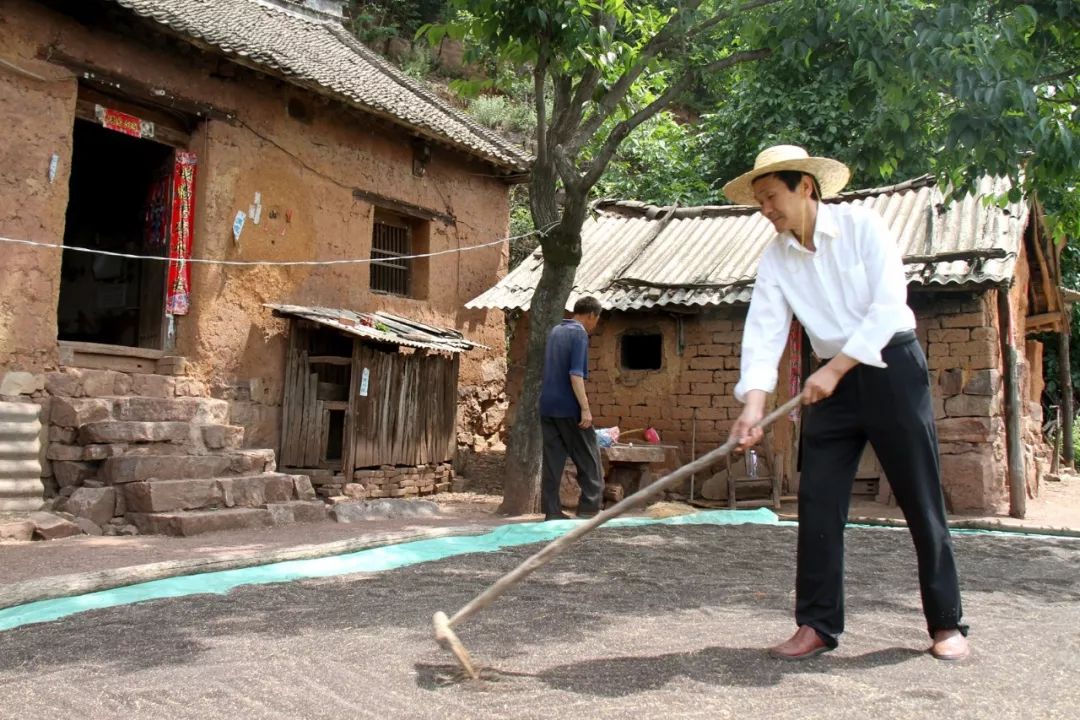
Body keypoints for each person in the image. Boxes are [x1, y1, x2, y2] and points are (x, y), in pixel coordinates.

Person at [724, 145, 970, 661]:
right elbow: (765, 330)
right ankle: (816, 625)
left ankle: (947, 625)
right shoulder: (776, 258)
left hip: (891, 368)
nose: (766, 210)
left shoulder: (863, 227)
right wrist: (753, 405)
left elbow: (889, 305)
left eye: (772, 197)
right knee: (818, 499)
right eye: (759, 202)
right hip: (831, 381)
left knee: (919, 497)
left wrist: (835, 370)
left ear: (805, 187)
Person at [538, 295, 604, 521]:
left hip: (547, 405)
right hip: (569, 406)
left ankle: (552, 510)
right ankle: (589, 508)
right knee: (589, 456)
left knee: (553, 460)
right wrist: (585, 409)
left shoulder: (556, 330)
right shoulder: (579, 333)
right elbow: (575, 374)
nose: (595, 325)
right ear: (591, 316)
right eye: (597, 320)